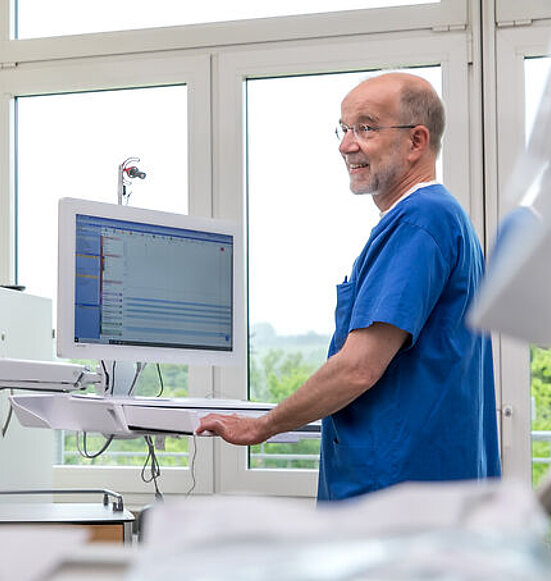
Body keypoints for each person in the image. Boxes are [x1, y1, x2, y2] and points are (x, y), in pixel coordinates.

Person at [197, 72, 500, 501]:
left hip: (395, 498)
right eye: (343, 129)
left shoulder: (421, 221)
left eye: (366, 127)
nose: (346, 145)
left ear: (416, 141)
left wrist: (261, 426)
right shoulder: (440, 219)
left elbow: (358, 367)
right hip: (420, 494)